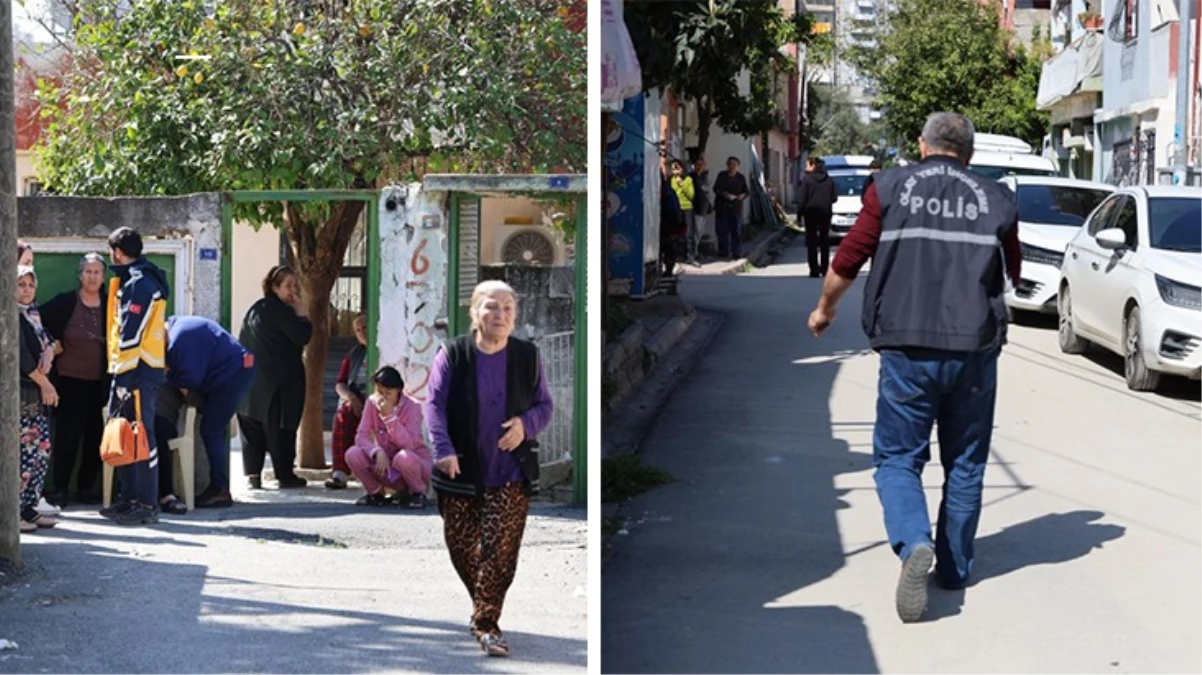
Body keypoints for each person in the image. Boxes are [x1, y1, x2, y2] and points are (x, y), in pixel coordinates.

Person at [807, 112, 1022, 623]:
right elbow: (1013, 270)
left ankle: (912, 544)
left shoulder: (889, 187)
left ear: (923, 146)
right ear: (968, 154)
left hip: (906, 347)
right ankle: (953, 568)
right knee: (965, 462)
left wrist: (825, 308)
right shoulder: (998, 199)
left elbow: (849, 258)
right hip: (974, 348)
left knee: (899, 458)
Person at [425, 280, 555, 657]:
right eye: (492, 307)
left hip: (510, 471)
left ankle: (486, 624)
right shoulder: (453, 354)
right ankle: (482, 605)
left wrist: (523, 426)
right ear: (475, 312)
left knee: (499, 552)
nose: (500, 315)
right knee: (462, 547)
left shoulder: (527, 356)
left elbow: (544, 405)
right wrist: (444, 449)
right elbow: (433, 405)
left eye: (508, 309)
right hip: (460, 469)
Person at [100, 226, 170, 526]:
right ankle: (129, 498)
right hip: (134, 370)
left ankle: (146, 503)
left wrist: (122, 379)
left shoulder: (140, 282)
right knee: (127, 433)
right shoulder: (134, 278)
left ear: (117, 251)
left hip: (138, 373)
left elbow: (131, 334)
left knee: (142, 435)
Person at [162, 315, 257, 508]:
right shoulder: (178, 324)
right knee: (212, 425)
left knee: (211, 429)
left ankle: (220, 488)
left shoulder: (179, 338)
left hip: (233, 375)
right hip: (233, 370)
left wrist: (167, 373)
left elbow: (190, 380)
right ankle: (218, 486)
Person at [40, 253, 109, 507]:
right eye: (88, 271)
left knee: (96, 437)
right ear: (80, 275)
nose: (92, 277)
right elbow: (37, 320)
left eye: (97, 272)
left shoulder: (111, 304)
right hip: (69, 382)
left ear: (104, 277)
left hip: (100, 384)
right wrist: (51, 342)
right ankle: (59, 489)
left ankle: (86, 488)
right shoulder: (66, 303)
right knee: (67, 437)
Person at [237, 265, 312, 489]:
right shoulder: (281, 310)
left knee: (253, 429)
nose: (293, 292)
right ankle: (285, 475)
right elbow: (302, 336)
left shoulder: (256, 309)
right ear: (274, 287)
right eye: (289, 286)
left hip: (251, 382)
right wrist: (302, 314)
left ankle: (253, 475)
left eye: (296, 286)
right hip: (278, 384)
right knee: (280, 428)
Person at [346, 366, 432, 509]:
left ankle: (418, 493)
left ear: (398, 390)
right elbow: (361, 437)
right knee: (353, 453)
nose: (383, 397)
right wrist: (377, 452)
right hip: (386, 466)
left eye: (388, 393)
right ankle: (375, 494)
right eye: (380, 392)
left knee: (403, 457)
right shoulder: (372, 403)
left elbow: (409, 445)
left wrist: (389, 417)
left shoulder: (413, 407)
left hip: (412, 465)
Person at [17, 266, 59, 532]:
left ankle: (29, 507)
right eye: (20, 284)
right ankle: (14, 511)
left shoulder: (33, 315)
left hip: (37, 395)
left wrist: (50, 353)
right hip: (22, 394)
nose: (27, 290)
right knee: (23, 453)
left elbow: (49, 342)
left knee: (40, 452)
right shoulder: (12, 316)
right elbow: (21, 356)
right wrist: (46, 385)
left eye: (30, 285)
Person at [326, 313, 370, 490]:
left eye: (364, 328)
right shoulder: (354, 354)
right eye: (357, 330)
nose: (361, 333)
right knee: (344, 413)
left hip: (378, 397)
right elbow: (340, 383)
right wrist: (351, 397)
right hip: (356, 396)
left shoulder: (384, 347)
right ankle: (340, 473)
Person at [798, 156, 839, 278]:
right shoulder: (829, 180)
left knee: (812, 242)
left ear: (813, 166)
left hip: (810, 214)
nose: (805, 167)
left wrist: (799, 215)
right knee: (824, 241)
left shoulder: (807, 180)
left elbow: (802, 200)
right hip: (825, 213)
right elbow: (834, 198)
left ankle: (814, 270)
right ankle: (825, 269)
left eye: (807, 165)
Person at [712, 156, 749, 259]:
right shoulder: (722, 176)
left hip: (736, 208)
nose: (731, 166)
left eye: (734, 164)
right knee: (722, 231)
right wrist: (725, 194)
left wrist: (742, 195)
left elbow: (746, 191)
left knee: (736, 231)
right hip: (722, 207)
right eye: (729, 164)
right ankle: (723, 252)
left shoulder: (741, 177)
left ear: (738, 166)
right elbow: (716, 189)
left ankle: (736, 252)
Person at [669, 159, 698, 266]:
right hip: (675, 208)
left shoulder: (688, 180)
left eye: (677, 169)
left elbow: (691, 195)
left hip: (687, 207)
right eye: (673, 169)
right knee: (675, 232)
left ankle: (690, 256)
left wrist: (682, 184)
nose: (675, 172)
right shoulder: (671, 180)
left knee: (689, 232)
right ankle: (676, 255)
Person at [658, 168, 685, 279]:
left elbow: (673, 209)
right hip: (669, 223)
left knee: (666, 246)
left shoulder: (665, 190)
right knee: (668, 246)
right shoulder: (667, 189)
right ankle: (667, 269)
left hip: (667, 222)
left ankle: (667, 269)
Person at [689, 157, 712, 264]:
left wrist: (709, 206)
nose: (700, 166)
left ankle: (696, 252)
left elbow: (706, 193)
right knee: (694, 232)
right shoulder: (691, 177)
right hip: (694, 208)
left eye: (702, 164)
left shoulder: (705, 177)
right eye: (697, 164)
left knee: (700, 232)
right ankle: (691, 255)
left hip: (704, 208)